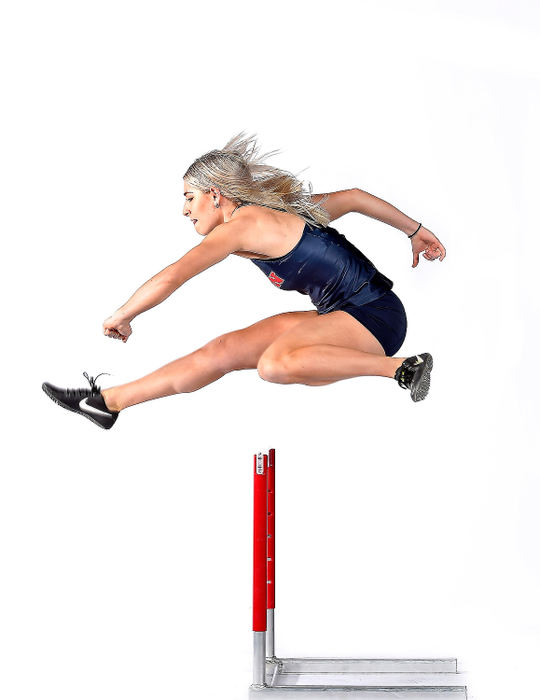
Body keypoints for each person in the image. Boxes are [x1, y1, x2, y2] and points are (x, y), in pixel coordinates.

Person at [42, 132, 446, 429]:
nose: (185, 210)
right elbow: (355, 197)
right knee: (223, 350)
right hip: (342, 314)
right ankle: (108, 402)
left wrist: (124, 314)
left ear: (215, 194)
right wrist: (414, 231)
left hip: (376, 317)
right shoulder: (280, 213)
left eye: (189, 197)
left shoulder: (241, 225)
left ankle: (401, 369)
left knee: (274, 365)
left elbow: (174, 275)